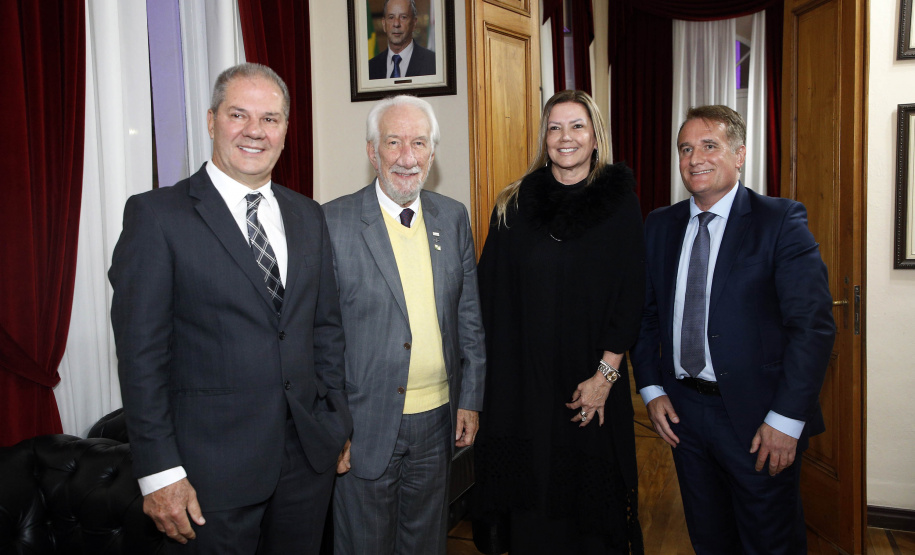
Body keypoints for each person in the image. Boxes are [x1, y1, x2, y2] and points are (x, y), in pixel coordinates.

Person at [109, 63, 351, 554]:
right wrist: (159, 472)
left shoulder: (307, 213)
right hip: (207, 473)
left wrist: (335, 422)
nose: (255, 131)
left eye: (271, 119)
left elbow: (324, 329)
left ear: (285, 129)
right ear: (211, 119)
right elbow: (141, 358)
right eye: (239, 114)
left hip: (306, 462)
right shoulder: (156, 216)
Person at [630, 105, 835, 554]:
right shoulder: (660, 225)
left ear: (739, 154)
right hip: (684, 414)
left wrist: (786, 420)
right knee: (709, 540)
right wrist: (650, 388)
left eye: (709, 145)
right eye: (686, 149)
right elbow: (644, 315)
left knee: (770, 543)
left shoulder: (779, 221)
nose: (695, 158)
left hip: (758, 421)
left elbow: (813, 327)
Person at [472, 90, 646, 555]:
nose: (565, 137)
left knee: (590, 520)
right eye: (555, 127)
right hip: (525, 391)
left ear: (595, 138)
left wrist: (606, 376)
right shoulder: (513, 203)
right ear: (543, 137)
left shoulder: (620, 206)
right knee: (533, 518)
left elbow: (631, 297)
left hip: (589, 387)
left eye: (577, 126)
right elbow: (487, 297)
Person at [322, 95, 486, 555]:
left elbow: (469, 319)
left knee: (427, 544)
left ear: (432, 155)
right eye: (393, 142)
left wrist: (470, 400)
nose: (407, 157)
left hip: (438, 423)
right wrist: (334, 427)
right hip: (364, 426)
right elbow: (319, 337)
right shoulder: (332, 221)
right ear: (372, 152)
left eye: (419, 143)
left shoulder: (452, 217)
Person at [368, 0, 436, 80]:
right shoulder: (370, 68)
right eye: (391, 17)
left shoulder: (433, 63)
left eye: (403, 17)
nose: (396, 24)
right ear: (384, 24)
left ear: (414, 23)